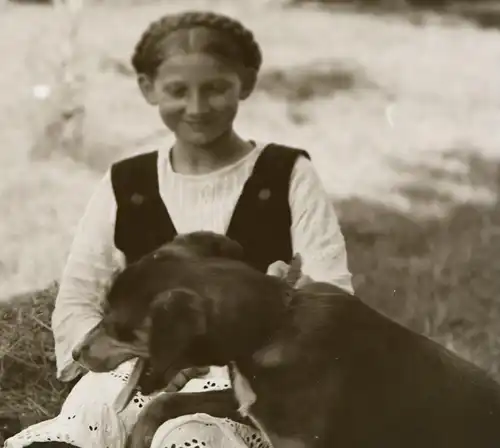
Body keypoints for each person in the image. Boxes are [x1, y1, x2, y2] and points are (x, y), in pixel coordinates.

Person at [5, 10, 353, 448]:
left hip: (245, 382)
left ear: (244, 83)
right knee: (94, 413)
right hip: (139, 366)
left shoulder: (285, 174)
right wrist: (137, 356)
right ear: (148, 90)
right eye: (177, 91)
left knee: (188, 436)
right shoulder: (126, 183)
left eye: (215, 89)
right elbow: (78, 296)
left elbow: (332, 293)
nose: (196, 107)